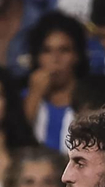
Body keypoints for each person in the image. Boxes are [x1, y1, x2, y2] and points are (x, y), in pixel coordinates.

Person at [23, 10, 86, 153]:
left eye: (64, 50)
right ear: (37, 57)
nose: (55, 59)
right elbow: (13, 142)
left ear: (77, 56)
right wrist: (34, 95)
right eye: (47, 51)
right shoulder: (24, 98)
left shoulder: (91, 97)